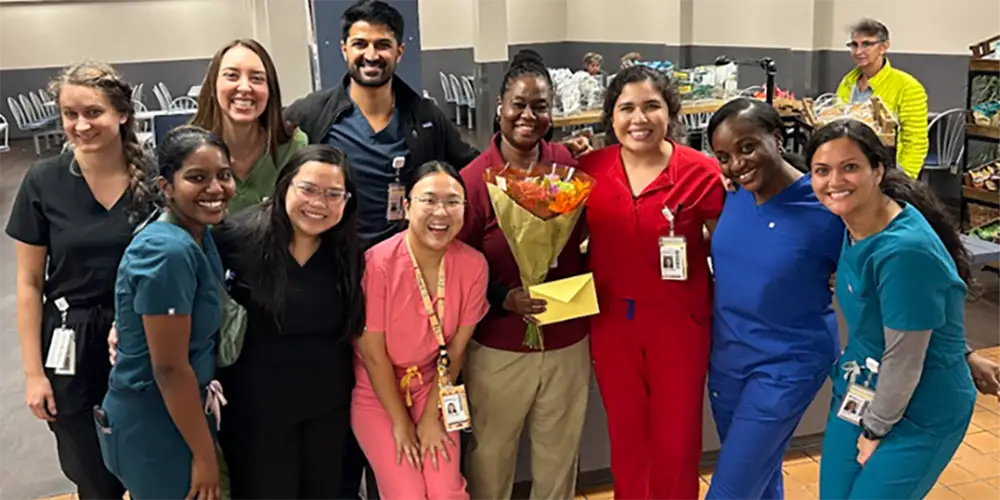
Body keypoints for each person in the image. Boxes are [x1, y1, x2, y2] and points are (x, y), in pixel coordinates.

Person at [6, 61, 154, 500]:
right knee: (89, 469)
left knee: (150, 460)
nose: (80, 125)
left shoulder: (155, 177)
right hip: (71, 338)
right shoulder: (43, 182)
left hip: (142, 333)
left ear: (122, 114)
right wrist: (34, 374)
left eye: (93, 112)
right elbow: (30, 283)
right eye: (70, 114)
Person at [578, 65, 724, 500]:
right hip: (612, 324)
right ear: (611, 117)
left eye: (650, 107)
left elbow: (730, 246)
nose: (638, 119)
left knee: (677, 443)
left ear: (670, 112)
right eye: (626, 108)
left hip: (680, 324)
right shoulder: (588, 171)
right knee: (626, 440)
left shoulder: (700, 172)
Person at [807, 120, 975, 499]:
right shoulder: (852, 222)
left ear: (877, 170)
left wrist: (876, 430)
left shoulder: (904, 249)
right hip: (861, 390)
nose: (835, 180)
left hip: (921, 406)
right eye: (822, 170)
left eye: (850, 167)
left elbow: (905, 356)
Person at [457, 49, 590, 500]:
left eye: (540, 106)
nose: (528, 116)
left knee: (558, 457)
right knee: (491, 458)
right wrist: (501, 297)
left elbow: (591, 240)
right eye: (518, 104)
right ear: (500, 106)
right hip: (499, 347)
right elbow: (459, 265)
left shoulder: (570, 169)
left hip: (567, 339)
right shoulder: (475, 180)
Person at [704, 98, 844, 500]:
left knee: (730, 490)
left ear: (777, 138)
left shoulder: (824, 206)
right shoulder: (730, 193)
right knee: (759, 477)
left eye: (747, 147)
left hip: (788, 364)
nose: (737, 163)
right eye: (724, 156)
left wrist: (957, 348)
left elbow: (887, 274)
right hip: (729, 361)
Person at [213, 145, 365, 499]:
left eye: (333, 194)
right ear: (285, 186)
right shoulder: (236, 238)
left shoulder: (348, 254)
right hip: (256, 411)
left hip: (327, 409)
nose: (319, 203)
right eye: (308, 189)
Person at [96, 125, 235, 500]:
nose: (215, 188)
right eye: (197, 177)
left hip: (176, 414)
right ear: (166, 186)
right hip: (155, 422)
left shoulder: (194, 233)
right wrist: (203, 454)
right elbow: (169, 368)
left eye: (223, 175)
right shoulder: (167, 253)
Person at [353, 161, 488, 499]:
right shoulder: (378, 263)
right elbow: (372, 353)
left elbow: (456, 349)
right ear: (407, 206)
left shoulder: (473, 265)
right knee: (407, 491)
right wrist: (401, 423)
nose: (440, 212)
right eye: (429, 200)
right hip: (378, 393)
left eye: (453, 202)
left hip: (434, 386)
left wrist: (430, 417)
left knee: (447, 489)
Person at [191, 38, 309, 213]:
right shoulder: (189, 151)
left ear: (270, 89)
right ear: (213, 85)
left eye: (257, 78)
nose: (245, 87)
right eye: (232, 76)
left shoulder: (293, 147)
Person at [835, 19, 928, 179]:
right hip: (848, 167)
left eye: (866, 44)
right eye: (854, 45)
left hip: (885, 170)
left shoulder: (908, 86)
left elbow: (915, 141)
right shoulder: (848, 82)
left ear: (884, 47)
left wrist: (903, 179)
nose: (859, 51)